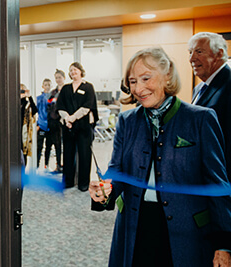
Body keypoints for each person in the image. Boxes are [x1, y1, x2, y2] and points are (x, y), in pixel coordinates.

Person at [90, 47, 231, 266]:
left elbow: (218, 185)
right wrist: (105, 190)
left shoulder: (200, 119)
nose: (139, 88)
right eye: (133, 81)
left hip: (187, 234)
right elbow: (116, 171)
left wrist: (224, 243)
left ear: (167, 76)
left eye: (146, 78)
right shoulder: (127, 121)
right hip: (135, 227)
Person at [189, 32, 231, 178]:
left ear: (219, 54)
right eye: (190, 52)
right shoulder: (199, 89)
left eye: (199, 52)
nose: (192, 58)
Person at [56, 62, 98, 191]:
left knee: (84, 155)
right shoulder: (66, 88)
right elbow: (60, 106)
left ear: (80, 71)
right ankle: (68, 181)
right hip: (68, 127)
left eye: (75, 70)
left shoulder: (88, 87)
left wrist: (73, 118)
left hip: (83, 126)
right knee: (68, 154)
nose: (73, 72)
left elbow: (87, 106)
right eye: (71, 71)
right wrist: (67, 118)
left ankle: (83, 183)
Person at [46, 69, 65, 173]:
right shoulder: (53, 92)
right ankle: (57, 166)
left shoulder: (67, 90)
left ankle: (63, 166)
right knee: (55, 144)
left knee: (61, 145)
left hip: (62, 122)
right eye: (56, 78)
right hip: (53, 122)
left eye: (60, 77)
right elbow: (48, 105)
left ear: (64, 78)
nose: (58, 79)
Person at [20, 83, 37, 166]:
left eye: (22, 90)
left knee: (24, 153)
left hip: (24, 133)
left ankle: (23, 174)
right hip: (14, 130)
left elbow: (35, 111)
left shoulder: (27, 104)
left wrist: (29, 96)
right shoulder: (12, 103)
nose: (21, 93)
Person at [36, 78, 51, 171]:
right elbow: (35, 111)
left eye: (49, 85)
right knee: (39, 147)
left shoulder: (53, 98)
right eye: (46, 85)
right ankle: (37, 166)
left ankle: (46, 166)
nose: (47, 87)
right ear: (42, 86)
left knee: (48, 147)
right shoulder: (39, 99)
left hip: (50, 126)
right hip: (41, 126)